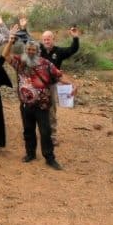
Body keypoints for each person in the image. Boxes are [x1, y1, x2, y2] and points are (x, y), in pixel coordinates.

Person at [6, 40, 69, 170]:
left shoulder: (46, 64)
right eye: (28, 49)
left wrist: (71, 84)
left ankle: (50, 158)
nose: (30, 52)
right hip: (25, 105)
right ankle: (30, 154)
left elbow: (59, 75)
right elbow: (5, 55)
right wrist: (10, 41)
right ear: (25, 50)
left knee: (45, 132)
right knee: (28, 131)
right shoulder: (20, 63)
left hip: (42, 105)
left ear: (37, 51)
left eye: (33, 49)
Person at [39, 26, 80, 145]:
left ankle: (52, 135)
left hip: (51, 85)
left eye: (49, 39)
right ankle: (41, 133)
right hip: (38, 85)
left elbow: (73, 49)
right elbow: (26, 42)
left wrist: (75, 38)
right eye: (45, 39)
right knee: (38, 109)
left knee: (51, 110)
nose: (47, 41)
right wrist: (23, 28)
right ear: (42, 40)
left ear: (53, 39)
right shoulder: (38, 50)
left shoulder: (59, 52)